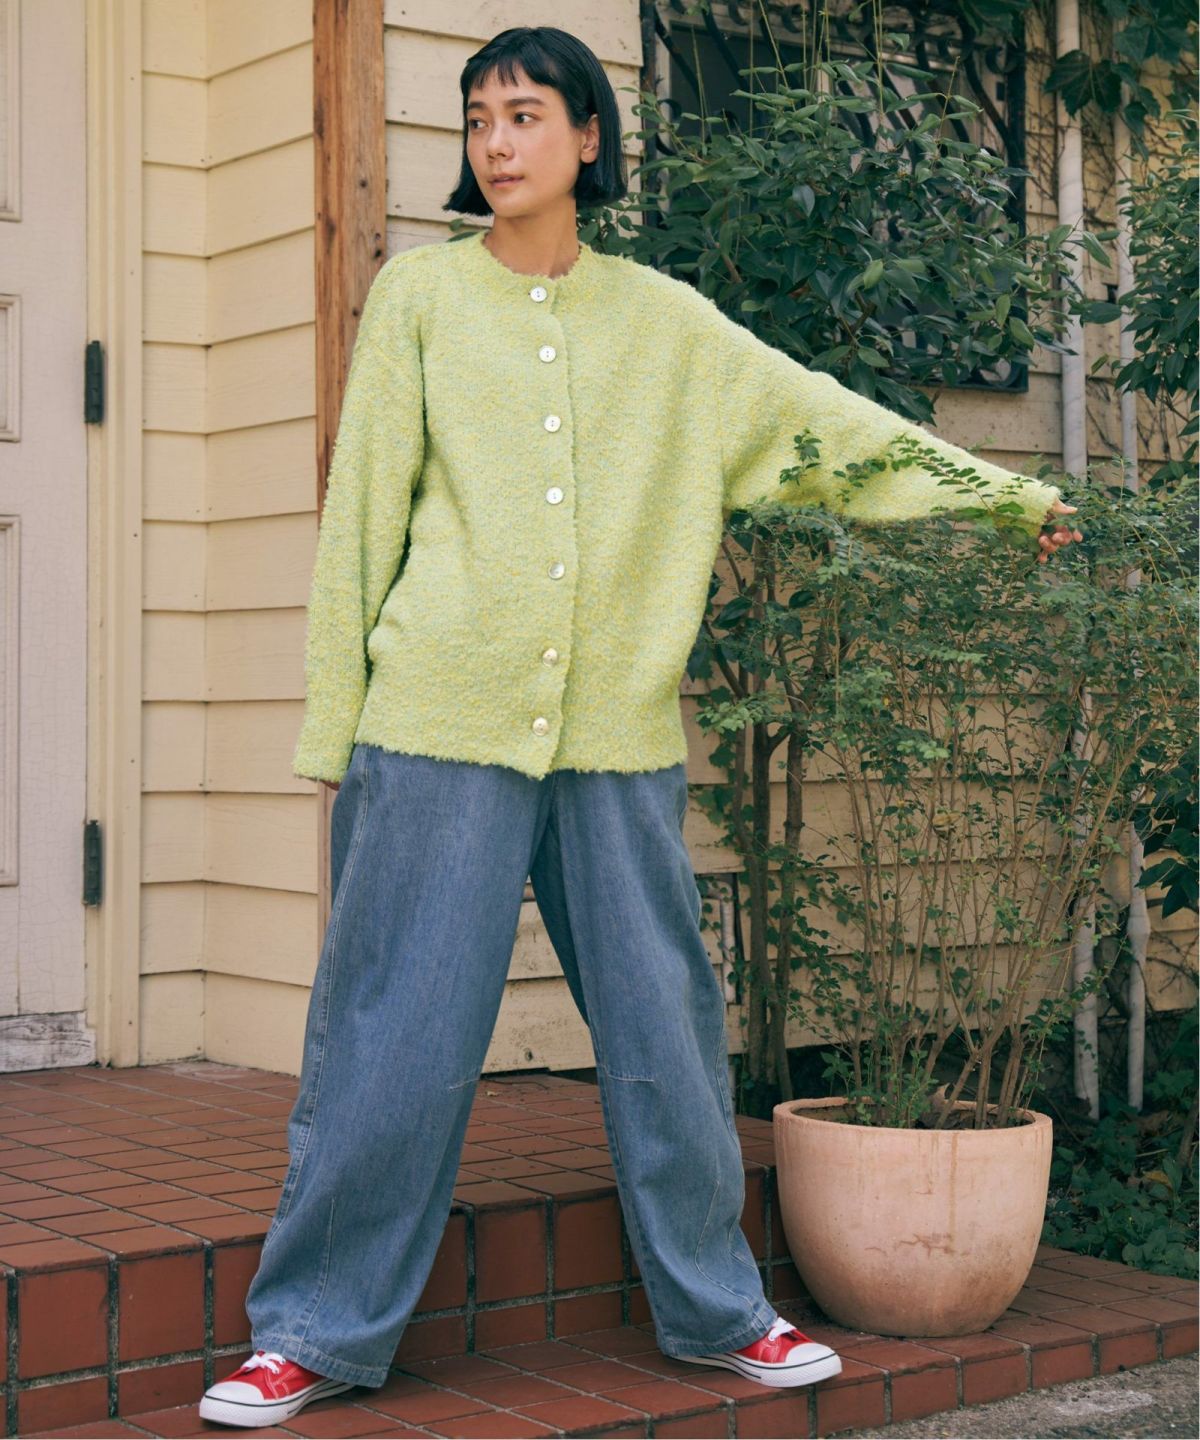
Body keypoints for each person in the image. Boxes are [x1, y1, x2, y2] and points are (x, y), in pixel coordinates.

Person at [197, 25, 1081, 1431]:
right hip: (437, 724)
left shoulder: (666, 326)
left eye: (525, 114)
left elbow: (821, 424)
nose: (496, 142)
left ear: (589, 136)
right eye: (478, 118)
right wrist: (334, 733)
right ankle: (308, 1334)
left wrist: (997, 495)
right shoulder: (419, 300)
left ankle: (720, 1311)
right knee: (392, 1041)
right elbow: (361, 516)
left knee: (667, 1032)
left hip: (614, 735)